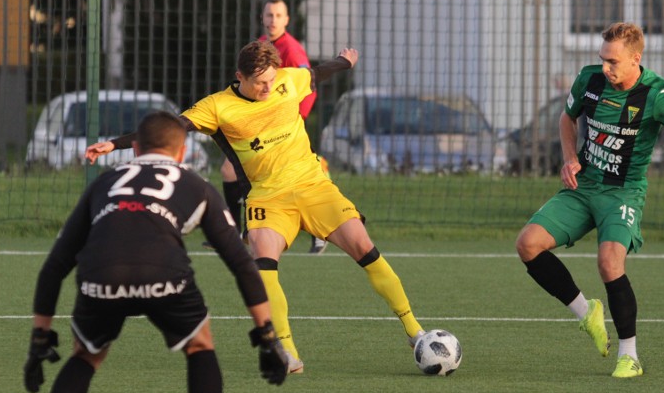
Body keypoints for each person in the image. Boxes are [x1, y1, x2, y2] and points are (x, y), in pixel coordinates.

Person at [86, 41, 425, 375]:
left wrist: (344, 62)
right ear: (240, 77)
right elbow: (169, 128)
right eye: (260, 82)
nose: (268, 87)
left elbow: (317, 73)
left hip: (314, 186)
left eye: (271, 80)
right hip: (267, 197)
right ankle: (288, 352)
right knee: (264, 265)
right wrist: (114, 144)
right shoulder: (217, 107)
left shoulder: (287, 80)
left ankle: (415, 332)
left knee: (365, 248)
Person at [19, 111, 288, 393]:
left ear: (136, 149)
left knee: (86, 356)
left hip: (101, 276)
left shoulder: (104, 183)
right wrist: (266, 336)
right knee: (200, 346)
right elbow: (242, 264)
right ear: (180, 154)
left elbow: (55, 266)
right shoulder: (195, 184)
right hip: (165, 276)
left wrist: (39, 339)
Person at [515, 22, 664, 379]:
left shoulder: (658, 94)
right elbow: (567, 118)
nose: (606, 68)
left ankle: (630, 355)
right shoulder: (589, 80)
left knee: (609, 262)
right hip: (586, 185)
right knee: (528, 244)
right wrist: (568, 158)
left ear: (635, 58)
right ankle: (586, 312)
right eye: (602, 60)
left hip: (623, 192)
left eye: (613, 62)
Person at [216, 0, 329, 254]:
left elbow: (309, 85)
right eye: (269, 15)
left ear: (287, 20)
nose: (273, 20)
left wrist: (295, 117)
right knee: (230, 170)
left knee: (301, 179)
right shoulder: (262, 45)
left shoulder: (291, 48)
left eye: (278, 15)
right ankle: (237, 231)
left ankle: (319, 233)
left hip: (285, 127)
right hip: (263, 125)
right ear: (262, 18)